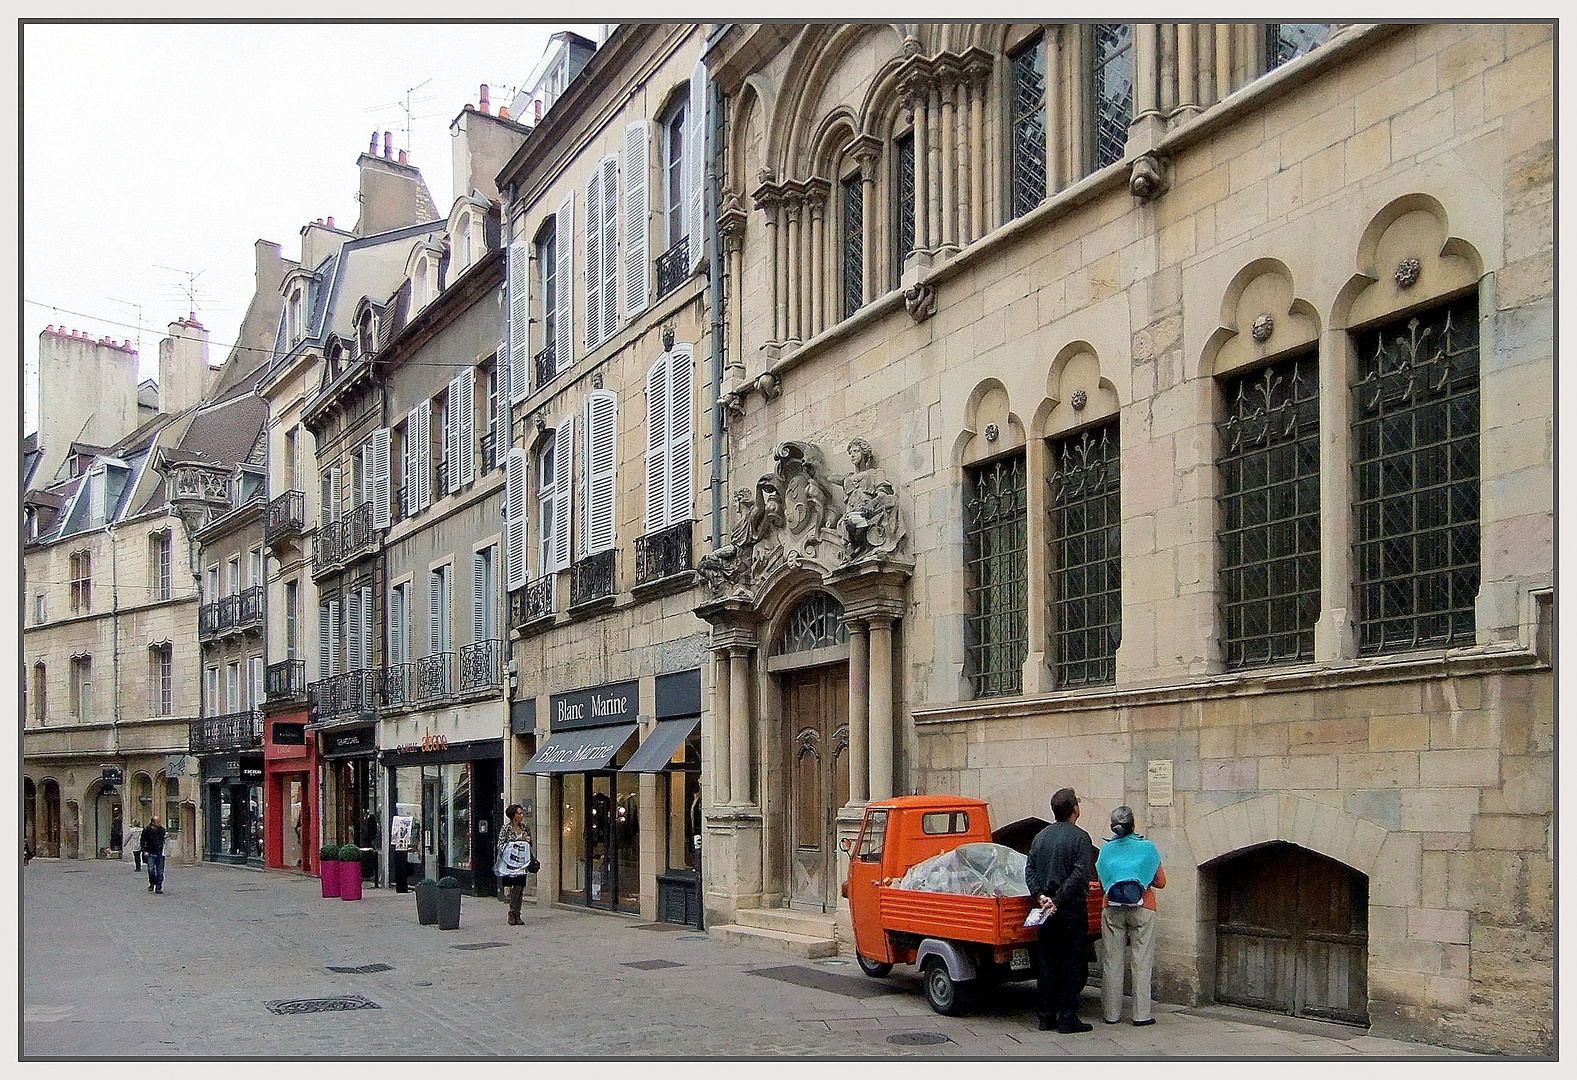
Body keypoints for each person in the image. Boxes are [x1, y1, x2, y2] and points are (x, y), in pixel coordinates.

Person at [1024, 787, 1096, 1033]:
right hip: (1071, 909)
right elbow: (1079, 874)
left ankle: (1045, 1017)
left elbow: (1030, 869)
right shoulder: (1080, 837)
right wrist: (1058, 899)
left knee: (1047, 963)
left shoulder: (1040, 837)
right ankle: (1067, 1018)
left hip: (1045, 910)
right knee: (1070, 964)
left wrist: (1041, 896)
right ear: (1075, 809)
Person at [1096, 806, 1166, 1027]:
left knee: (1112, 961)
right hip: (1143, 908)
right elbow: (1161, 882)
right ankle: (1141, 1015)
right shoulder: (1147, 848)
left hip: (1112, 909)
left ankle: (1111, 1014)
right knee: (1141, 961)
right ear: (1133, 825)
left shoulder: (1106, 851)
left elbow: (1101, 885)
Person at [495, 805, 533, 926]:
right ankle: (512, 912)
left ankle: (517, 913)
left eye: (522, 813)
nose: (522, 816)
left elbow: (530, 844)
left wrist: (528, 840)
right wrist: (513, 845)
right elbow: (500, 844)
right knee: (514, 887)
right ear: (513, 816)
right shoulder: (506, 828)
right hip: (510, 863)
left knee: (520, 887)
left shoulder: (525, 828)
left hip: (522, 862)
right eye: (519, 813)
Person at [142, 815, 168, 894]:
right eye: (157, 822)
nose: (159, 823)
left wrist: (165, 838)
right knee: (151, 870)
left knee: (160, 871)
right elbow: (142, 841)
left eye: (160, 821)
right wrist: (144, 850)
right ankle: (152, 882)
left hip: (160, 853)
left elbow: (163, 840)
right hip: (150, 853)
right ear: (153, 822)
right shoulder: (147, 830)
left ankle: (159, 887)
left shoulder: (162, 830)